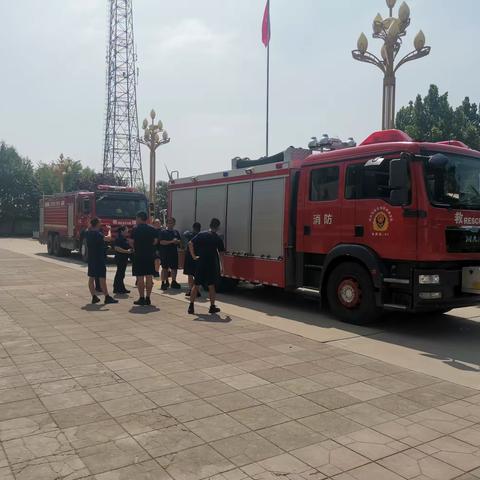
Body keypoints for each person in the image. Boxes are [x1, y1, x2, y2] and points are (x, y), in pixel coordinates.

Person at [188, 218, 225, 315]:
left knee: (196, 285)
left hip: (201, 262)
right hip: (211, 264)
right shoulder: (217, 238)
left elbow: (190, 243)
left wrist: (193, 256)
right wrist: (222, 267)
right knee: (211, 285)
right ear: (218, 227)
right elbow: (221, 254)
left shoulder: (201, 234)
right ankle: (212, 307)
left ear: (210, 225)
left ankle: (191, 306)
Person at [86, 218, 118, 305]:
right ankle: (107, 297)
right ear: (96, 224)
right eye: (100, 222)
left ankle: (93, 297)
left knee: (91, 277)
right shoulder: (98, 234)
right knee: (102, 278)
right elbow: (108, 238)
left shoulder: (88, 233)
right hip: (99, 258)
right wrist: (109, 230)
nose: (101, 224)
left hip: (91, 258)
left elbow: (88, 228)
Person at [130, 211, 157, 306]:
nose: (135, 220)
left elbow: (131, 242)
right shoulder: (152, 229)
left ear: (140, 218)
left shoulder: (135, 229)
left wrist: (135, 248)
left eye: (136, 218)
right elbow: (155, 241)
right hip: (149, 255)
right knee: (149, 277)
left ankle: (141, 298)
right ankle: (148, 298)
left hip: (139, 255)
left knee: (140, 277)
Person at [159, 217, 181, 291]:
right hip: (165, 253)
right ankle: (163, 282)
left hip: (174, 253)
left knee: (174, 268)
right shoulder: (163, 232)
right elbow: (161, 242)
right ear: (167, 223)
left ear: (174, 223)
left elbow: (179, 241)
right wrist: (171, 241)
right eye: (169, 222)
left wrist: (177, 241)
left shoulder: (176, 232)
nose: (170, 224)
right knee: (164, 268)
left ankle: (173, 282)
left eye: (172, 222)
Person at [183, 222, 201, 297]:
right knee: (197, 275)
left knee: (190, 275)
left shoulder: (189, 235)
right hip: (198, 257)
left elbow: (184, 233)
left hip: (190, 257)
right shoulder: (201, 236)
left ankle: (191, 290)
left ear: (193, 227)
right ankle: (197, 290)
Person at [113, 226, 132, 294]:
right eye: (126, 231)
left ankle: (120, 287)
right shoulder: (119, 238)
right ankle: (118, 288)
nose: (127, 232)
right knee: (120, 273)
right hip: (120, 258)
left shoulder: (124, 238)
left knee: (121, 274)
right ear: (122, 231)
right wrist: (126, 251)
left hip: (124, 258)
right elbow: (117, 248)